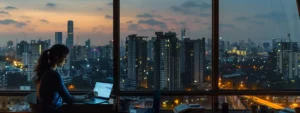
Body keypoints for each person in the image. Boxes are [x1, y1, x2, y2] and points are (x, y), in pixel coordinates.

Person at [33, 44, 93, 113]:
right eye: (65, 58)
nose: (66, 61)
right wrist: (86, 97)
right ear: (57, 58)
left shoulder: (44, 71)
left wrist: (84, 96)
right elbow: (69, 99)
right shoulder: (54, 75)